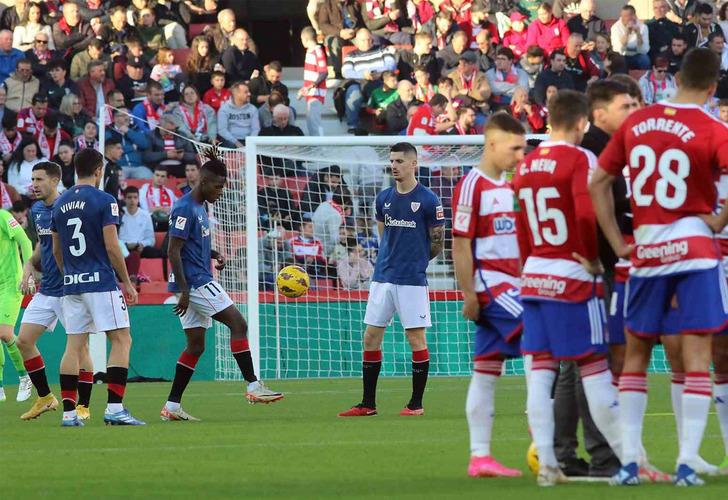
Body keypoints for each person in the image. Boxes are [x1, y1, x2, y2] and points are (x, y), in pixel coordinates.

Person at [591, 47, 728, 486]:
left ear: (675, 78)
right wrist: (719, 219)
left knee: (635, 355)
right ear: (711, 88)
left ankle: (630, 463)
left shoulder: (636, 122)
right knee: (697, 354)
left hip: (646, 252)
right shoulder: (712, 126)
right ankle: (687, 462)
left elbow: (599, 182)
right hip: (694, 249)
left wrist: (618, 243)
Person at [512, 90, 622, 486]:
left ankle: (550, 466)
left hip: (535, 275)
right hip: (572, 276)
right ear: (581, 123)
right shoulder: (581, 158)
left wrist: (529, 266)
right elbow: (585, 211)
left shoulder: (525, 165)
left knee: (542, 373)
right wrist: (591, 258)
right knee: (595, 367)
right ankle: (626, 460)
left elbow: (521, 225)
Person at [161, 147, 282, 421]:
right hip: (196, 283)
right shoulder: (183, 207)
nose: (222, 191)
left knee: (195, 346)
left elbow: (191, 243)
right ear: (203, 183)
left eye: (223, 186)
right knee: (239, 325)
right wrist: (183, 291)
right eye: (218, 186)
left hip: (196, 280)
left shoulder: (200, 204)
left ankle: (172, 406)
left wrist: (214, 254)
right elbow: (172, 250)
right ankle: (253, 385)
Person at [338, 142, 445, 417]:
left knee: (415, 339)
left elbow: (437, 243)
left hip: (411, 279)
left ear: (413, 164)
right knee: (371, 337)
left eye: (399, 161)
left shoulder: (430, 200)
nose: (394, 166)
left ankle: (415, 404)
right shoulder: (384, 198)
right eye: (392, 161)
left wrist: (416, 261)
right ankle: (368, 404)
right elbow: (384, 235)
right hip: (382, 277)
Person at [451, 112, 525, 478]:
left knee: (485, 371)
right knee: (544, 341)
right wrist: (469, 294)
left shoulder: (511, 188)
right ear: (493, 144)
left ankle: (480, 457)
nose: (520, 156)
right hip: (493, 288)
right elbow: (460, 244)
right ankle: (545, 438)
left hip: (514, 284)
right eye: (515, 148)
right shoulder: (472, 185)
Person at [50, 148, 143, 427]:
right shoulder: (104, 200)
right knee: (122, 339)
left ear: (75, 169)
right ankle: (115, 408)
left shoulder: (60, 203)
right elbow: (113, 246)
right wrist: (127, 282)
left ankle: (68, 414)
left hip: (72, 284)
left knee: (74, 345)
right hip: (100, 283)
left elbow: (57, 251)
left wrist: (69, 275)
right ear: (99, 170)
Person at [17, 162, 96, 420]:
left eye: (39, 179)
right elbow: (43, 243)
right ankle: (45, 398)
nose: (34, 184)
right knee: (24, 341)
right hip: (47, 289)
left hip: (70, 291)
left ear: (54, 181)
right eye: (32, 179)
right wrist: (29, 263)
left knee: (80, 349)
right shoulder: (38, 209)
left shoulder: (68, 208)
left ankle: (83, 405)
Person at [341, 28, 397, 133]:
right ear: (357, 41)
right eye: (363, 40)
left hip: (380, 80)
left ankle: (391, 124)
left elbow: (391, 64)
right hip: (360, 82)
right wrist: (363, 74)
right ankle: (352, 125)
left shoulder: (382, 49)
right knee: (353, 92)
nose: (367, 43)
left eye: (369, 39)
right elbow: (346, 72)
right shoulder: (351, 55)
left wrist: (378, 73)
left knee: (388, 88)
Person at [119, 186, 166, 283]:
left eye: (135, 197)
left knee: (161, 253)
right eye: (129, 197)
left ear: (138, 199)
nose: (132, 200)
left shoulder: (145, 215)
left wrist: (142, 244)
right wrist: (127, 245)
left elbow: (151, 239)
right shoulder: (119, 214)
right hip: (123, 247)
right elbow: (115, 237)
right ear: (124, 199)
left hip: (141, 247)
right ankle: (132, 278)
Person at [318, 0, 364, 78]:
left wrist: (354, 32)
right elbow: (323, 25)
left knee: (364, 39)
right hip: (336, 34)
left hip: (354, 33)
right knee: (334, 42)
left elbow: (362, 22)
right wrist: (340, 32)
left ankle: (362, 70)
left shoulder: (354, 4)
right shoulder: (327, 5)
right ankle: (338, 73)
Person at [106, 108, 152, 180]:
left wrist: (129, 131)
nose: (127, 118)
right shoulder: (108, 132)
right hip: (119, 166)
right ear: (115, 118)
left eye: (128, 115)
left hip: (138, 167)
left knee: (148, 176)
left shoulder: (135, 129)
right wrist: (132, 148)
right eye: (123, 115)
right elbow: (110, 150)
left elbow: (145, 144)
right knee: (117, 178)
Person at [299, 26, 327, 137]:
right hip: (311, 93)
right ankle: (316, 147)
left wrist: (311, 86)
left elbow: (324, 72)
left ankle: (321, 149)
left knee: (315, 123)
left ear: (304, 39)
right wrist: (304, 90)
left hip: (317, 93)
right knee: (310, 122)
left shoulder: (318, 51)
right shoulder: (310, 52)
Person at [217, 82, 260, 148]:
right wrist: (236, 142)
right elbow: (222, 130)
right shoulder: (224, 109)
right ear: (237, 94)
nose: (249, 94)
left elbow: (256, 128)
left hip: (249, 140)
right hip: (231, 141)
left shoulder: (253, 109)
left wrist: (250, 142)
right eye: (246, 92)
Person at [610, 5, 650, 70]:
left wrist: (638, 34)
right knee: (618, 60)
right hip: (623, 56)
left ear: (634, 16)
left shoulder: (643, 27)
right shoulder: (615, 27)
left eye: (626, 16)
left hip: (638, 56)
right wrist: (627, 33)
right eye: (622, 16)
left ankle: (645, 79)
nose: (622, 19)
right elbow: (617, 49)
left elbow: (645, 50)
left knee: (645, 59)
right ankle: (621, 79)